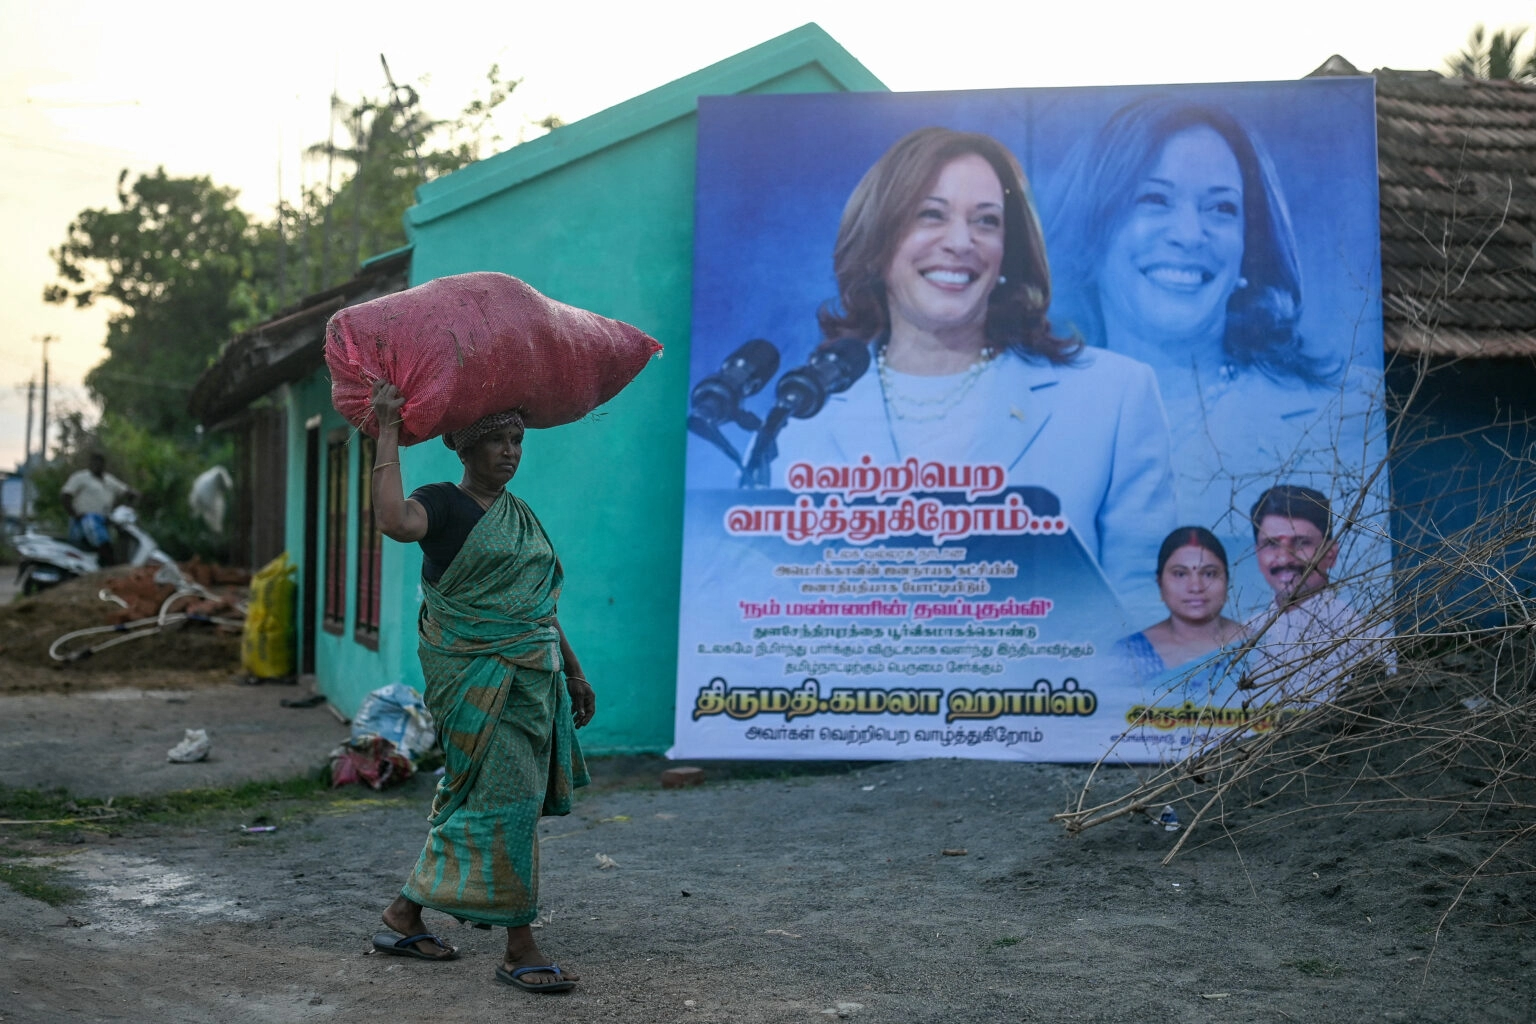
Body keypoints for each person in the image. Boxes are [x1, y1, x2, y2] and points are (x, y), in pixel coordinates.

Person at [772, 126, 1177, 617]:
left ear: (1009, 253)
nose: (961, 242)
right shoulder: (805, 411)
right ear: (878, 241)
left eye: (986, 222)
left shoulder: (1115, 396)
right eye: (930, 215)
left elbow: (1152, 616)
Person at [1046, 96, 1389, 613]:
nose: (1189, 235)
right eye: (1153, 200)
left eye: (1221, 208)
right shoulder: (1015, 409)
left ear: (1248, 248)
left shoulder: (1339, 414)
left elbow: (1357, 610)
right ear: (1094, 228)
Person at [366, 379, 597, 995]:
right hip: (475, 677)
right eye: (494, 441)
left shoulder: (520, 516)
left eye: (516, 440)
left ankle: (402, 916)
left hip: (534, 676)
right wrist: (387, 427)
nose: (509, 451)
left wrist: (573, 669)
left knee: (476, 800)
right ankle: (520, 947)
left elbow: (535, 607)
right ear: (464, 450)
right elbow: (393, 520)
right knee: (508, 804)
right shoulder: (441, 502)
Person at [1240, 485, 1391, 705]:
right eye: (1271, 544)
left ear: (1331, 553)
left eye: (1301, 543)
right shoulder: (1245, 635)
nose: (1284, 559)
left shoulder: (1362, 637)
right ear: (1257, 554)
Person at [1116, 526, 1246, 702]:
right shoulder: (1129, 653)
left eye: (1209, 574)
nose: (1196, 587)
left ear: (1227, 581)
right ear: (1159, 583)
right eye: (1180, 574)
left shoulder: (1258, 646)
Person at [60, 452, 138, 565]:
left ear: (103, 464)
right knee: (88, 549)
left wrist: (133, 498)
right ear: (90, 464)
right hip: (84, 520)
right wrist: (73, 513)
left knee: (100, 551)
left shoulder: (109, 480)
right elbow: (65, 495)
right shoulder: (81, 477)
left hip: (103, 521)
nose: (96, 465)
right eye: (94, 462)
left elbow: (126, 491)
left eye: (99, 462)